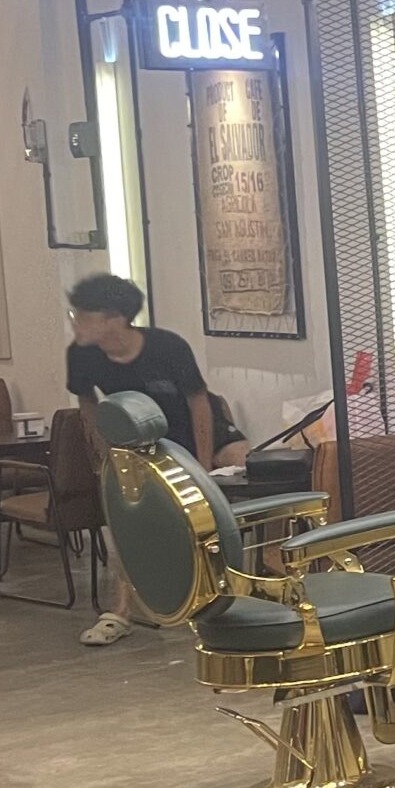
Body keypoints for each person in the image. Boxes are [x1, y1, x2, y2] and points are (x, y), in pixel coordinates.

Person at [64, 273, 247, 645]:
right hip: (141, 443)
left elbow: (199, 401)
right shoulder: (81, 354)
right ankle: (121, 611)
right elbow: (88, 404)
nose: (75, 322)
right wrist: (104, 454)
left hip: (198, 434)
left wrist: (202, 465)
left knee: (246, 472)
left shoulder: (168, 346)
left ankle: (232, 595)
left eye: (83, 315)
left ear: (114, 319)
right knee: (127, 518)